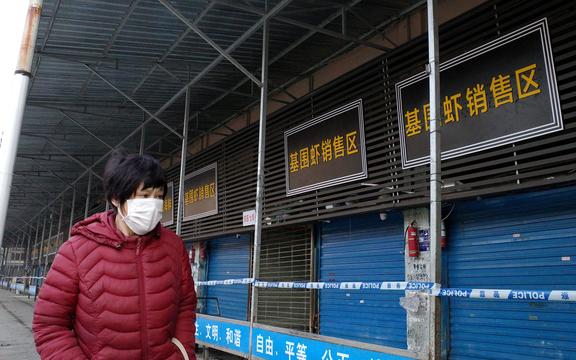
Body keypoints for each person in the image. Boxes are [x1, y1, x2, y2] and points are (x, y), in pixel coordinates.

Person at [33, 154, 196, 360]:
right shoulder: (77, 250)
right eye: (145, 196)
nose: (153, 204)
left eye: (158, 196)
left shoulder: (173, 246)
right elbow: (49, 324)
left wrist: (182, 354)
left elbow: (186, 306)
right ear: (116, 198)